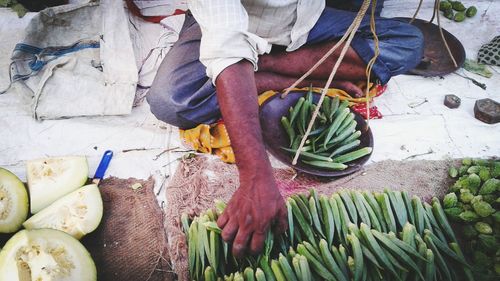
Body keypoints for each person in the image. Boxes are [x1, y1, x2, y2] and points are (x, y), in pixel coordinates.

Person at [147, 0, 424, 258]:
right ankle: (257, 72)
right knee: (171, 101)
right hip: (238, 24)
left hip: (308, 20)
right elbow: (225, 43)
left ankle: (259, 70)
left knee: (408, 44)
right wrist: (255, 177)